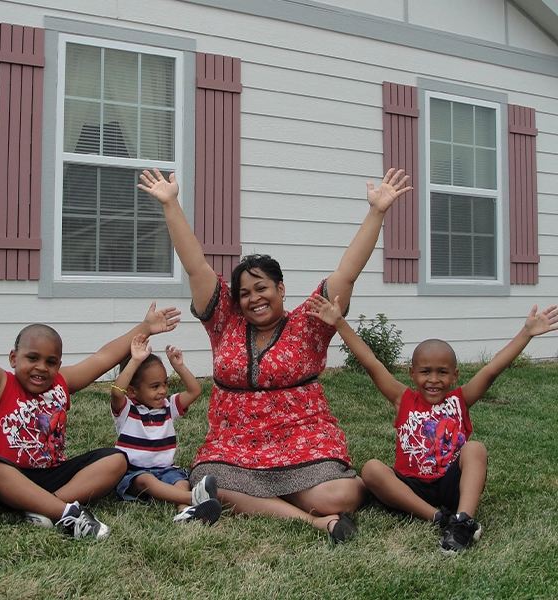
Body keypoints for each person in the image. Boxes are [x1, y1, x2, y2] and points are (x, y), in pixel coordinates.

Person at [138, 167, 412, 543]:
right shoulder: (224, 323)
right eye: (245, 293)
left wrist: (376, 212)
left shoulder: (309, 322)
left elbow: (346, 274)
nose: (254, 298)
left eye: (262, 287)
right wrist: (171, 204)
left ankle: (263, 499)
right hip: (234, 443)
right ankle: (316, 522)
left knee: (343, 494)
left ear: (281, 288)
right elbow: (195, 265)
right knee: (206, 481)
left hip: (303, 437)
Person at [0, 261, 180, 540]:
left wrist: (145, 327)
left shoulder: (60, 384)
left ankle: (46, 507)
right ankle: (66, 514)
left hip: (52, 475)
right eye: (32, 358)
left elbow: (103, 358)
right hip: (12, 477)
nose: (41, 367)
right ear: (13, 358)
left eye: (51, 361)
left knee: (117, 460)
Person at [306, 293, 558, 552]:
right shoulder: (402, 398)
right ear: (412, 373)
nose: (434, 379)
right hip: (411, 488)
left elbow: (492, 369)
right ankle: (439, 518)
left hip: (451, 485)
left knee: (476, 449)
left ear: (455, 376)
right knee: (371, 469)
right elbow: (371, 363)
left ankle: (463, 521)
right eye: (426, 371)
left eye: (442, 372)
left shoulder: (461, 400)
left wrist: (526, 333)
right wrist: (339, 323)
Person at [111, 334, 221, 525]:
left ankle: (185, 511)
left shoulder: (167, 406)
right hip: (134, 472)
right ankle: (191, 498)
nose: (162, 390)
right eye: (154, 386)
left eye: (165, 383)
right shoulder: (126, 410)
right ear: (132, 391)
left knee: (181, 481)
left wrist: (179, 367)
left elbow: (195, 391)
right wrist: (135, 360)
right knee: (147, 481)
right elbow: (116, 391)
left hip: (165, 470)